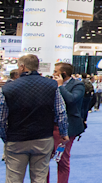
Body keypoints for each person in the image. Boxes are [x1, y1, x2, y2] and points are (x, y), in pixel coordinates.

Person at [0, 54, 69, 183]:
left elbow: (1, 118)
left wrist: (6, 137)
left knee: (14, 178)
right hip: (43, 138)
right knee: (40, 177)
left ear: (22, 67)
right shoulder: (51, 85)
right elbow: (61, 112)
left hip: (16, 139)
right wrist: (64, 133)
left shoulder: (7, 89)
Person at [50, 63, 85, 183]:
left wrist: (60, 87)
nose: (53, 74)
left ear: (63, 74)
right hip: (51, 126)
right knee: (43, 160)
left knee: (62, 160)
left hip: (68, 127)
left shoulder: (78, 85)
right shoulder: (51, 84)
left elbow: (71, 100)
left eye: (55, 71)